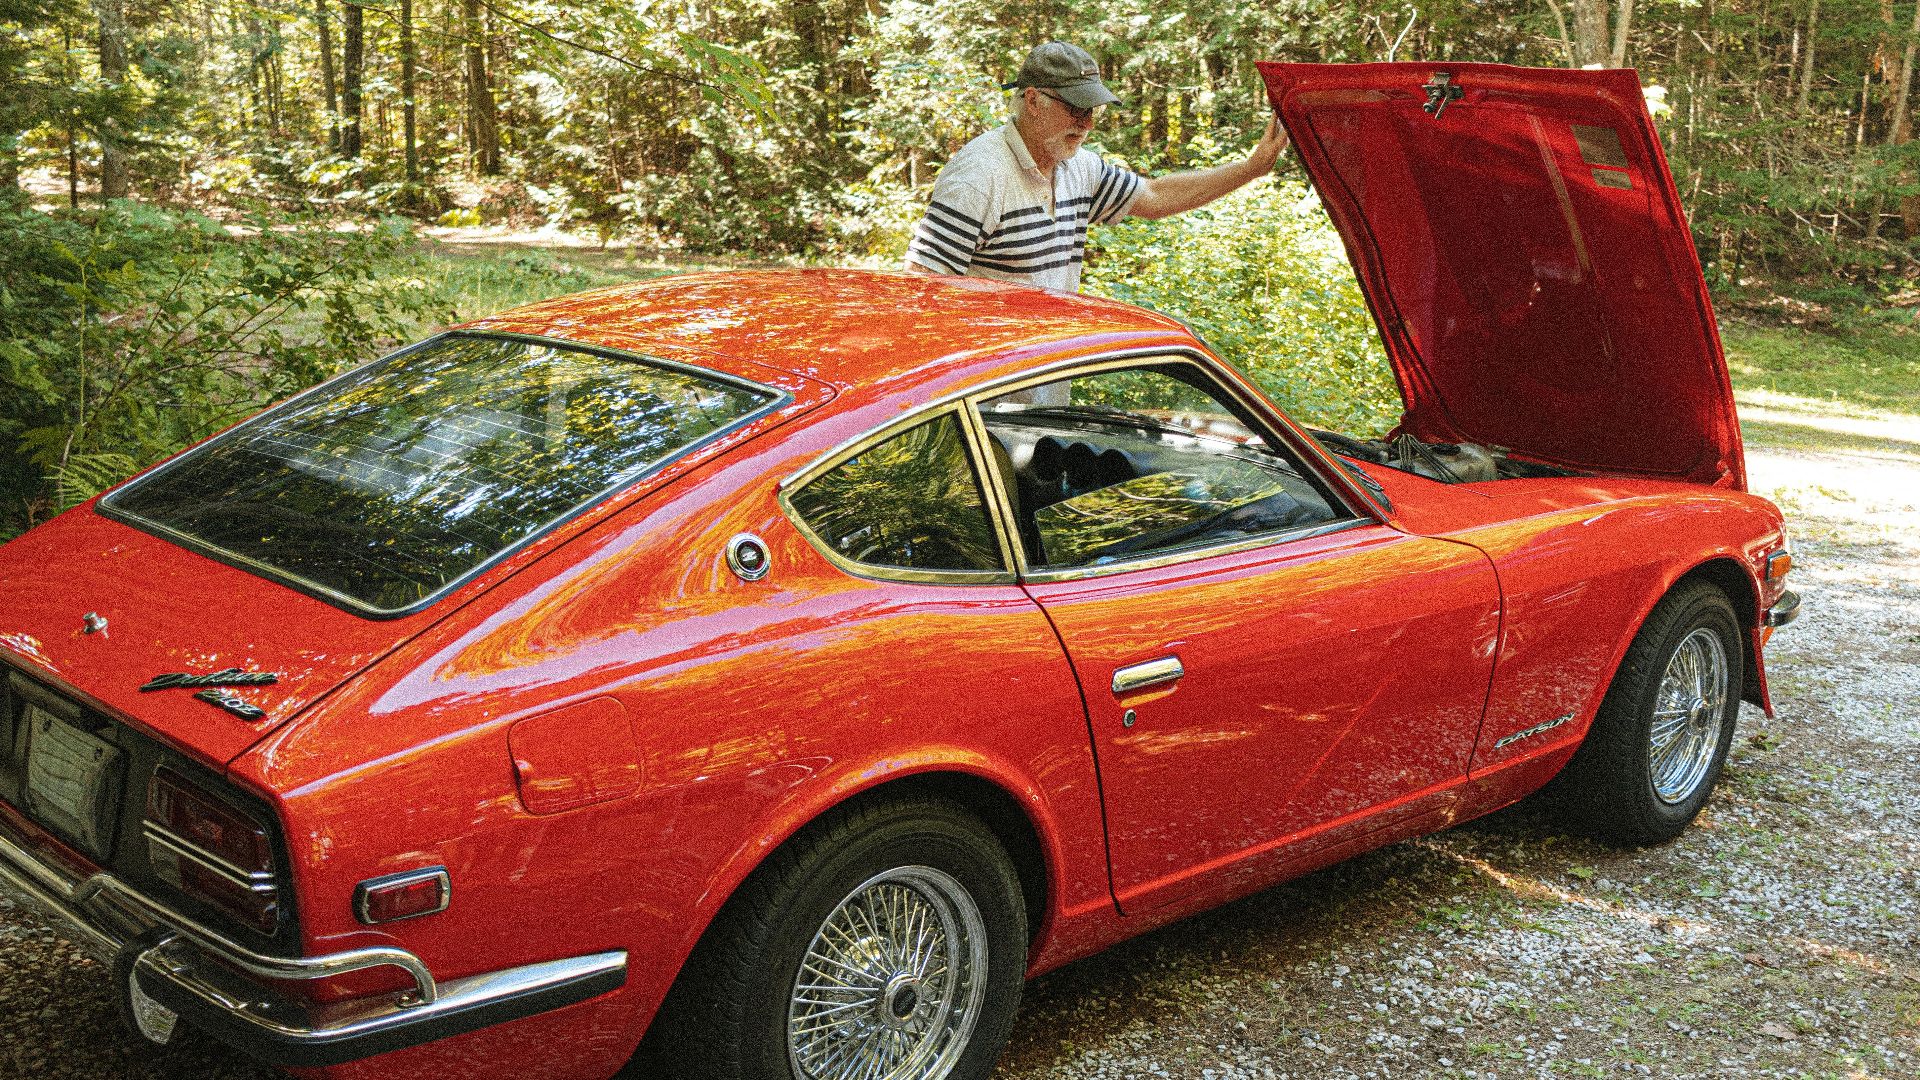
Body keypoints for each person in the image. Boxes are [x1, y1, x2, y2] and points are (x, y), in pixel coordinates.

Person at [906, 41, 1290, 293]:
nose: (1087, 123)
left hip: (1047, 380)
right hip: (982, 396)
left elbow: (1154, 197)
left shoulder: (1079, 168)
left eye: (1093, 110)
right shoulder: (979, 176)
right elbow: (921, 286)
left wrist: (1250, 169)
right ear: (1033, 99)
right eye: (1075, 108)